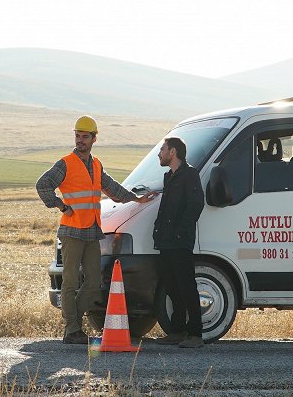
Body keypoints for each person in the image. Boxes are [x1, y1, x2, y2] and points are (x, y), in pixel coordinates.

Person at [36, 115, 156, 345]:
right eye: (77, 136)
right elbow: (42, 184)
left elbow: (113, 189)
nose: (80, 140)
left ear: (94, 138)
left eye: (85, 137)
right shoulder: (65, 163)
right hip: (71, 231)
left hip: (92, 230)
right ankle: (72, 329)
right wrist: (60, 205)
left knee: (93, 283)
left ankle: (74, 323)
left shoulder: (96, 165)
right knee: (70, 282)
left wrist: (137, 200)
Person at [153, 137, 205, 348]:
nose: (159, 153)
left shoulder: (190, 175)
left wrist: (179, 232)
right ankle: (177, 331)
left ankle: (195, 335)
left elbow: (195, 205)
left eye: (162, 149)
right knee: (172, 286)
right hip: (166, 241)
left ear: (172, 152)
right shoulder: (169, 176)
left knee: (186, 286)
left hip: (180, 241)